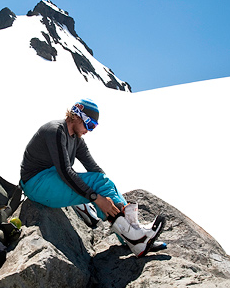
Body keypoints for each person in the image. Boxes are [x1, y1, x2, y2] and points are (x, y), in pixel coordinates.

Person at [19, 99, 165, 257]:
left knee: (102, 180)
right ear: (77, 116)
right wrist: (96, 198)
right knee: (98, 183)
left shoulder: (77, 140)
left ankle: (133, 235)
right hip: (36, 183)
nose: (89, 130)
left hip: (49, 181)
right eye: (89, 125)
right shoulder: (55, 131)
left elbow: (96, 170)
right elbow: (65, 172)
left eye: (93, 127)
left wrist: (112, 194)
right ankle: (136, 238)